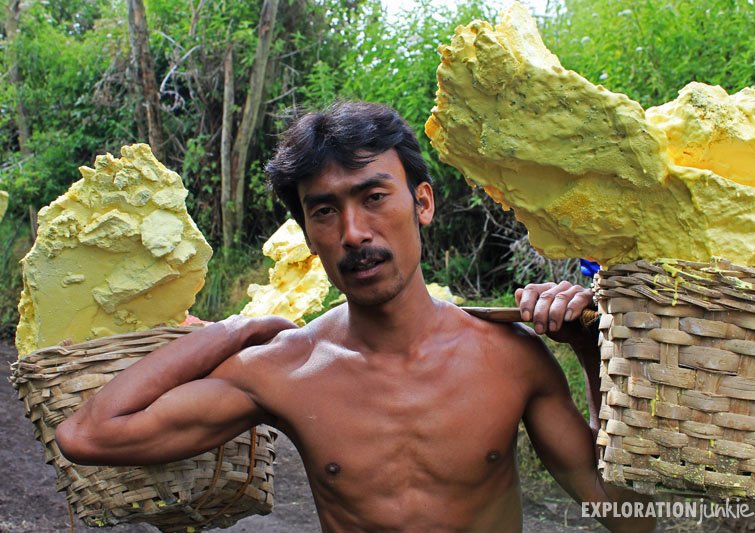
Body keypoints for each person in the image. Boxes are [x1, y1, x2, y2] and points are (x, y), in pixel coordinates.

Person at [56, 101, 654, 532]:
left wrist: (591, 350)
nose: (354, 234)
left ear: (421, 202)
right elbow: (87, 434)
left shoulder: (511, 357)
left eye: (374, 198)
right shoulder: (284, 369)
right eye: (324, 212)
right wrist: (232, 330)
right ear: (309, 235)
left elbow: (629, 520)